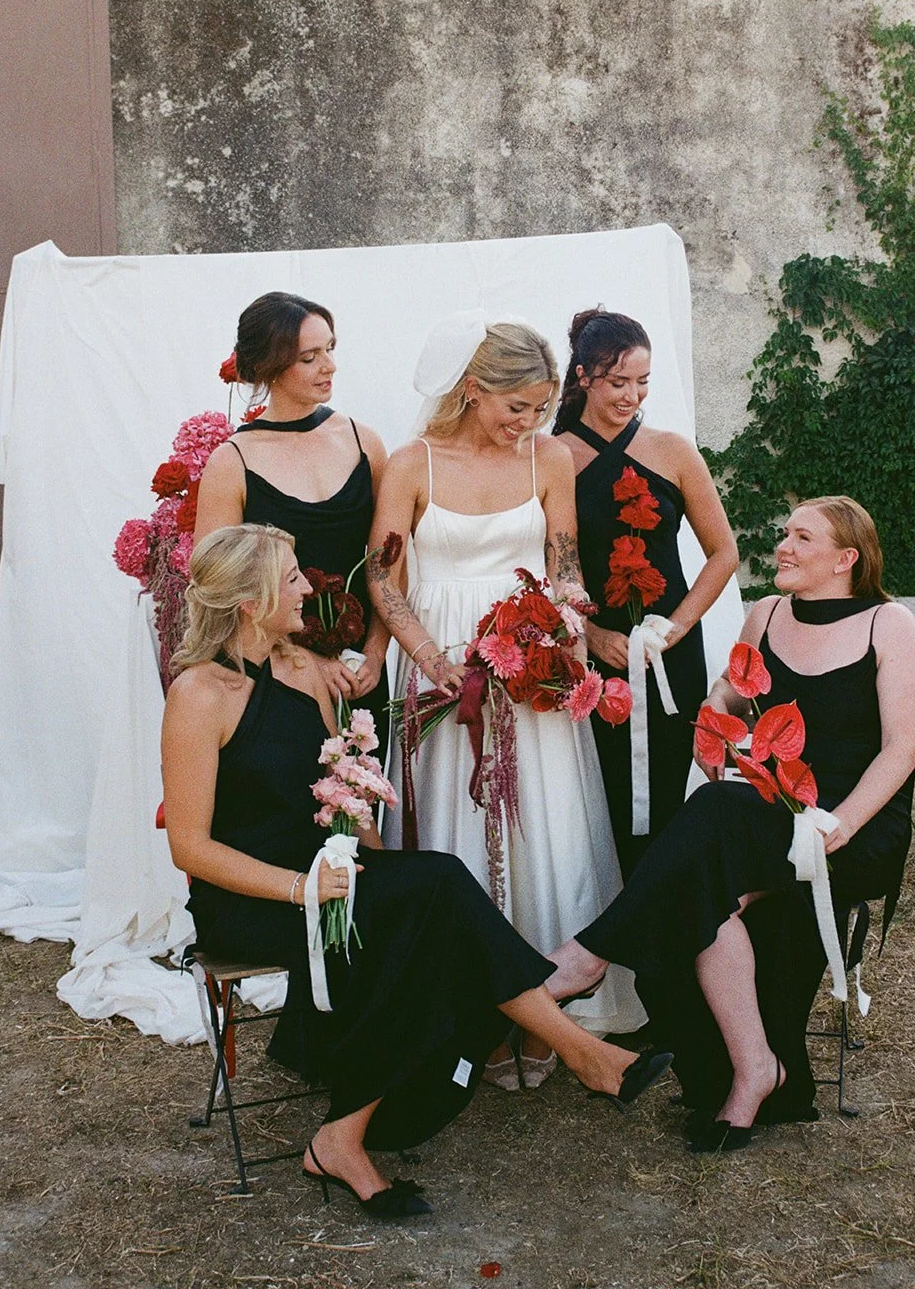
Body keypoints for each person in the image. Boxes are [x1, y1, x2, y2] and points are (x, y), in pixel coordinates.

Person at [162, 524, 671, 1216]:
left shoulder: (307, 670)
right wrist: (299, 888)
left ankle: (344, 1138)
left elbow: (344, 780)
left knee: (426, 896)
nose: (308, 587)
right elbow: (189, 847)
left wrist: (371, 864)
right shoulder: (200, 694)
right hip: (254, 897)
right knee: (434, 887)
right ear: (249, 601)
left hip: (332, 876)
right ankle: (582, 1053)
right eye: (289, 579)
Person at [544, 496, 915, 1149]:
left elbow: (901, 749)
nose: (782, 546)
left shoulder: (889, 627)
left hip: (853, 826)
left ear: (845, 558)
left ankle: (585, 958)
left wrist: (839, 823)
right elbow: (732, 686)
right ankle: (756, 1069)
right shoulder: (766, 613)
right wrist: (712, 710)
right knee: (703, 882)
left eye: (800, 538)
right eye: (785, 534)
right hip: (770, 808)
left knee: (712, 818)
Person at [368, 314, 645, 1090]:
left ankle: (549, 1009)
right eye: (514, 407)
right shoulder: (411, 462)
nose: (528, 423)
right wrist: (431, 661)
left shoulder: (548, 457)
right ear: (470, 390)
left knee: (543, 827)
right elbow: (383, 576)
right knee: (460, 830)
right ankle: (474, 1011)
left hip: (531, 668)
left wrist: (561, 631)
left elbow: (563, 569)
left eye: (538, 407)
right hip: (444, 667)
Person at [553, 309, 739, 876]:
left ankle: (663, 934)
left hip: (670, 649)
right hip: (591, 651)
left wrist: (674, 628)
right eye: (618, 382)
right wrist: (589, 632)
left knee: (661, 793)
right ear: (583, 376)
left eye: (643, 381)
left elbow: (723, 552)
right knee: (597, 794)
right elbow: (547, 562)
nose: (632, 395)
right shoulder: (551, 454)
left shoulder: (674, 450)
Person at [194, 291, 390, 722]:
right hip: (272, 683)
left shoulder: (365, 443)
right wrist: (305, 664)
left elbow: (389, 563)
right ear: (270, 366)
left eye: (331, 349)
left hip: (361, 679)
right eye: (309, 357)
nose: (329, 366)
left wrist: (375, 655)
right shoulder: (232, 463)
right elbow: (218, 594)